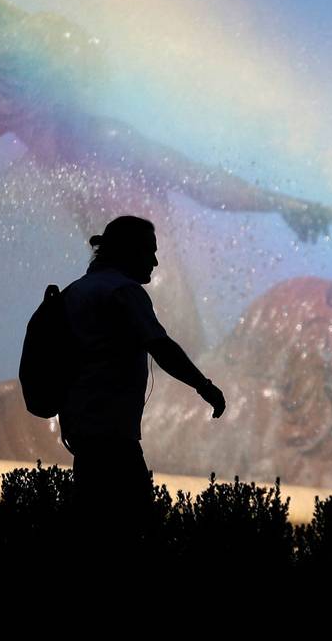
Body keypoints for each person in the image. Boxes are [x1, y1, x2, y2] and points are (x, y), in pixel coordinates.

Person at [59, 215, 225, 550]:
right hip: (112, 437)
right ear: (128, 251)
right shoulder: (124, 292)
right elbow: (161, 346)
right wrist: (204, 386)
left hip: (82, 431)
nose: (155, 261)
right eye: (149, 251)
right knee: (139, 530)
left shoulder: (76, 291)